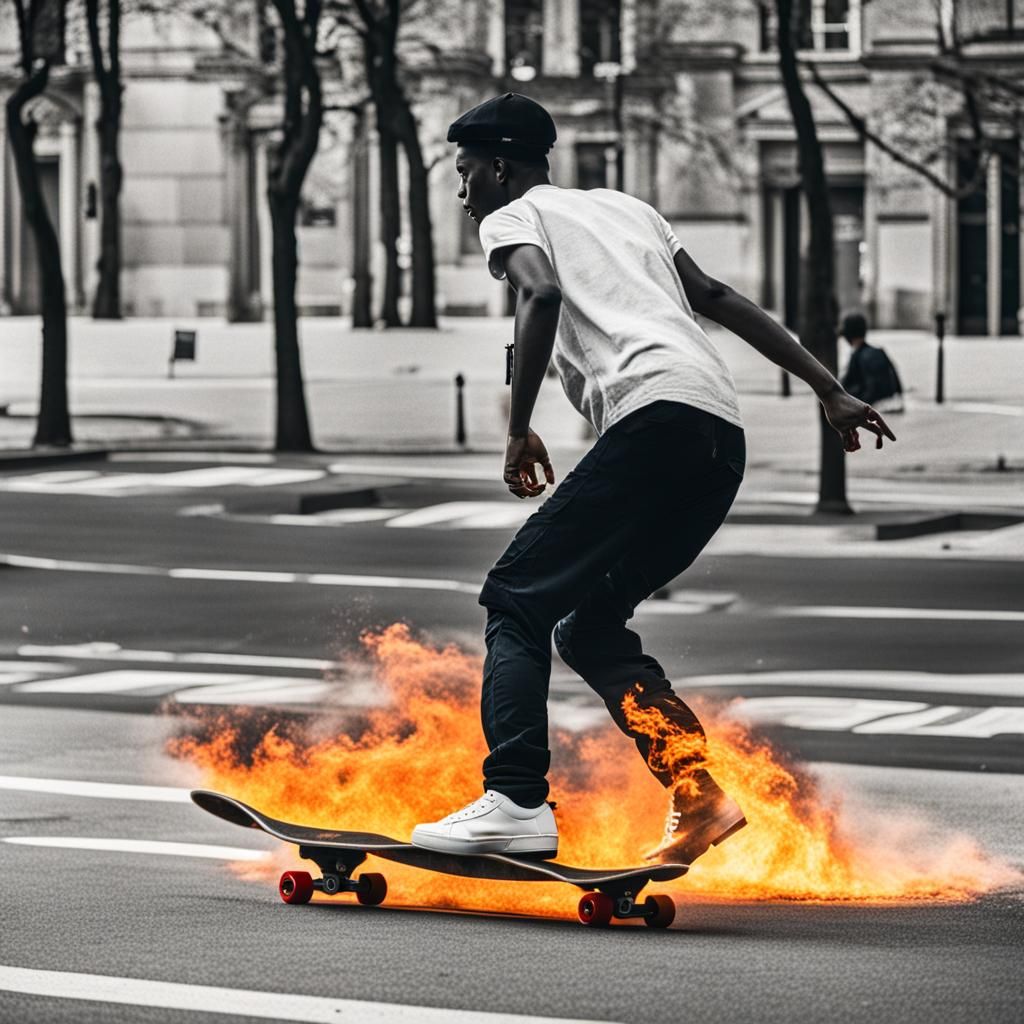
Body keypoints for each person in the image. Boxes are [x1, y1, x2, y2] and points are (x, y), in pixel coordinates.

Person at [410, 93, 895, 864]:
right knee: (592, 628)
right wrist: (827, 387)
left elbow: (539, 293)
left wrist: (516, 428)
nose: (461, 192)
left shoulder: (511, 218)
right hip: (716, 438)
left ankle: (515, 800)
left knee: (515, 597)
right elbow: (719, 299)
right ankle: (697, 794)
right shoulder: (629, 210)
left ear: (500, 168)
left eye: (466, 173)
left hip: (656, 421)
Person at [839, 312, 904, 412]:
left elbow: (868, 390)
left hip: (875, 405)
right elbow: (897, 384)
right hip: (891, 401)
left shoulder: (859, 356)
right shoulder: (878, 351)